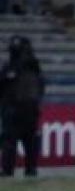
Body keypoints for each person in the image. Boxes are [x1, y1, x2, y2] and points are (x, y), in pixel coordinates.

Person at [1, 36, 44, 177]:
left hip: (13, 111)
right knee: (30, 143)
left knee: (10, 142)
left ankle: (8, 172)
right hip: (31, 111)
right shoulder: (35, 67)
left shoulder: (10, 67)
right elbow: (42, 88)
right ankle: (31, 170)